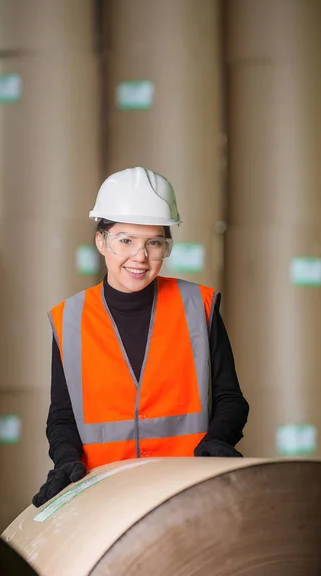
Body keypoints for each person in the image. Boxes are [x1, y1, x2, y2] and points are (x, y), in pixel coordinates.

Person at [32, 167, 249, 507]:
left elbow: (230, 399)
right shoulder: (70, 318)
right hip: (105, 497)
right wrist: (65, 460)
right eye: (126, 241)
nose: (140, 257)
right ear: (101, 241)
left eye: (154, 242)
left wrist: (218, 440)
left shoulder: (198, 306)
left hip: (188, 491)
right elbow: (62, 416)